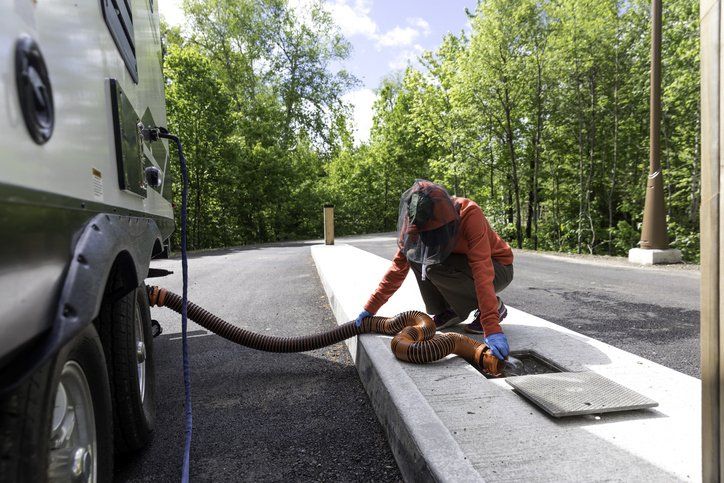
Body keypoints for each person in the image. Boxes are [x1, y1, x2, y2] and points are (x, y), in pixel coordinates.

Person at [354, 180, 514, 360]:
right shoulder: (414, 221)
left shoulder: (469, 213)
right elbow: (398, 268)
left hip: (498, 267)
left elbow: (482, 270)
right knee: (415, 255)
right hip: (463, 264)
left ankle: (496, 307)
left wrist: (491, 326)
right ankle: (449, 310)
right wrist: (371, 307)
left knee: (432, 265)